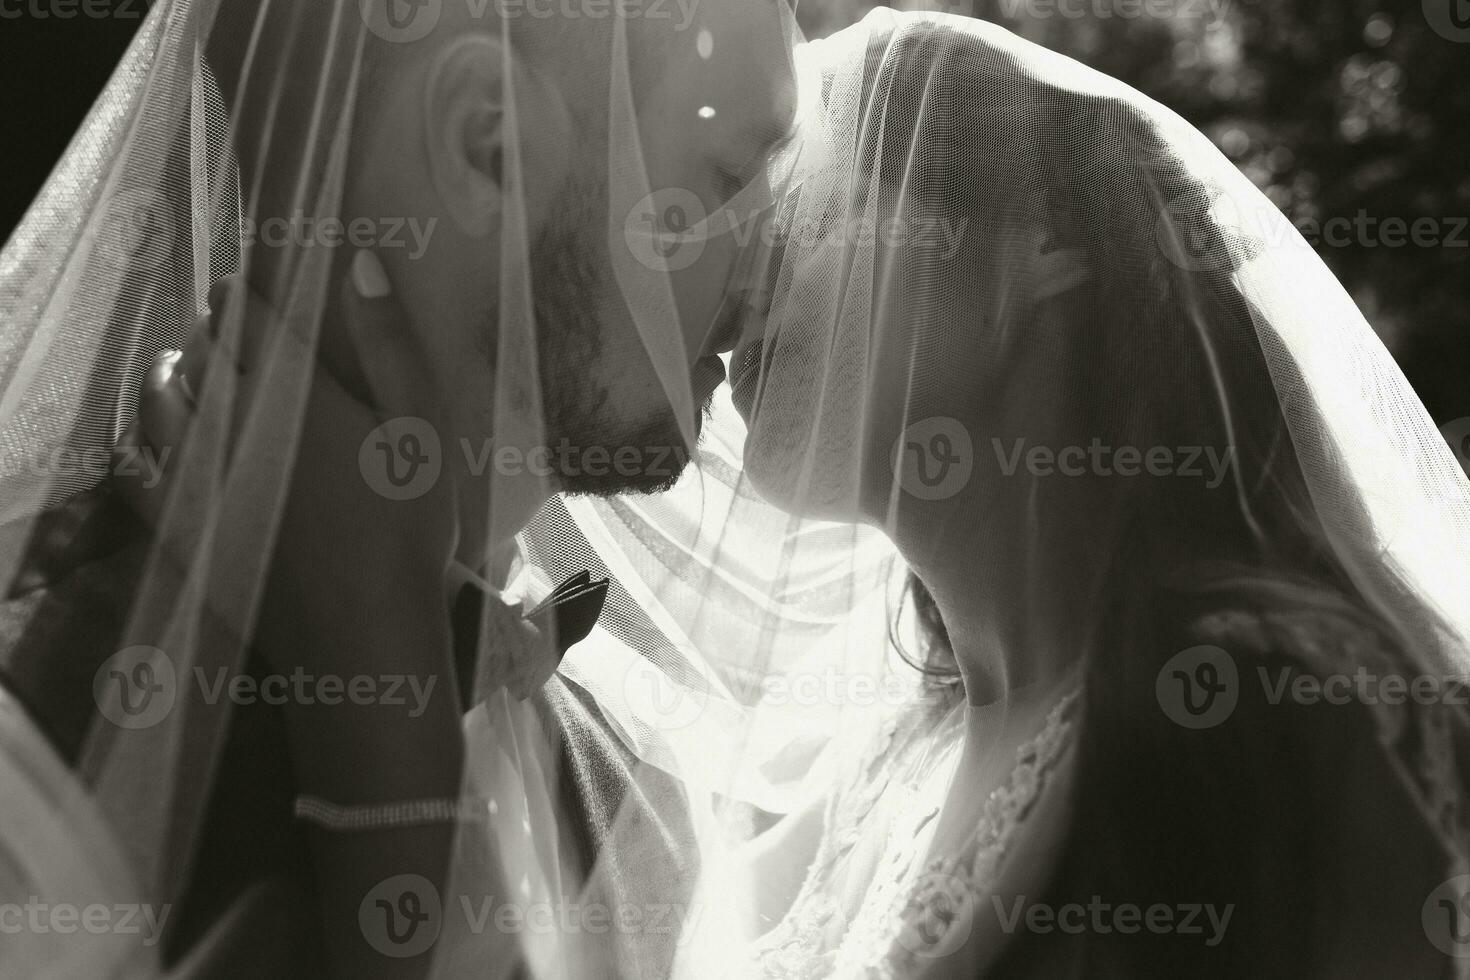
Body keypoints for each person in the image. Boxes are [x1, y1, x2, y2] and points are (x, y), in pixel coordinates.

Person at [527, 9, 1470, 978]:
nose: (739, 291)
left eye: (803, 220)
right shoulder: (885, 752)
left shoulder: (1267, 695)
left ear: (1040, 250)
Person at [0, 1, 797, 977]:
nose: (778, 269)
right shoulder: (36, 761)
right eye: (729, 179)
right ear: (487, 146)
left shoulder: (644, 812)